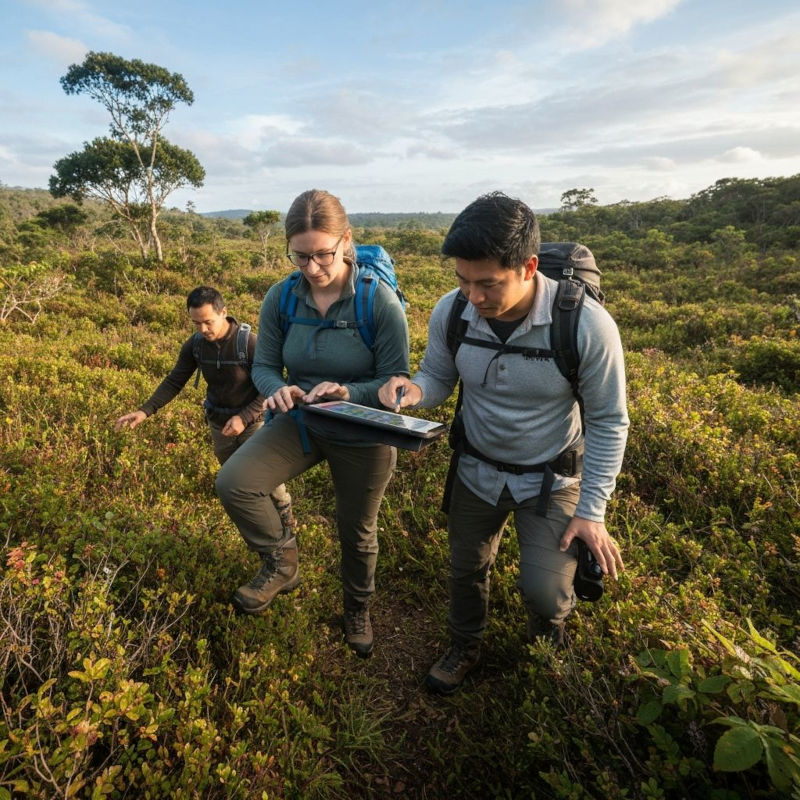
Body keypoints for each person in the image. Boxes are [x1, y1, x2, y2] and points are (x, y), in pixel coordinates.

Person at [377, 192, 629, 693]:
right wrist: (412, 389)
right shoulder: (453, 311)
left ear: (529, 266)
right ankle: (464, 645)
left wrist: (592, 510)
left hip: (551, 480)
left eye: (488, 283)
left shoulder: (584, 324)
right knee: (465, 569)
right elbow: (438, 375)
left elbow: (608, 420)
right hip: (476, 470)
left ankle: (545, 656)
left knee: (544, 592)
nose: (473, 296)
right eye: (462, 280)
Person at [215, 189, 410, 658]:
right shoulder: (281, 297)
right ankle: (282, 563)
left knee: (357, 530)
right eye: (299, 256)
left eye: (322, 254)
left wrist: (350, 392)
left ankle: (357, 607)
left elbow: (394, 379)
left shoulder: (377, 301)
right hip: (300, 422)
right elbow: (264, 365)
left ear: (346, 241)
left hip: (363, 430)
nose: (312, 267)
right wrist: (277, 388)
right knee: (235, 482)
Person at [114, 286, 293, 525]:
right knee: (234, 482)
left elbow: (270, 385)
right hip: (218, 423)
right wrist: (144, 411)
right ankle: (262, 529)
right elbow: (174, 380)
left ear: (224, 312)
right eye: (196, 323)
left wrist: (244, 417)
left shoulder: (248, 343)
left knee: (266, 478)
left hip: (254, 424)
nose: (203, 329)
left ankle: (285, 520)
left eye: (208, 322)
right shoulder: (196, 345)